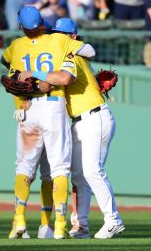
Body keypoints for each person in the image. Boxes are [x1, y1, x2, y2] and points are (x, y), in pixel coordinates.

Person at [20, 17, 125, 239]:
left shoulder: (71, 55)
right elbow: (54, 81)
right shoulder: (64, 57)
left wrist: (33, 74)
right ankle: (81, 226)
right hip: (80, 121)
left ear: (72, 37)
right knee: (78, 176)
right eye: (54, 33)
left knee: (92, 171)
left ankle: (113, 219)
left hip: (94, 117)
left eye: (61, 34)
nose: (56, 38)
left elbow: (64, 78)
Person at [1, 6, 96, 239]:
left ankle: (19, 221)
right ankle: (60, 225)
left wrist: (26, 78)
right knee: (59, 169)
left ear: (21, 26)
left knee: (24, 167)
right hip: (54, 106)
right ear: (43, 22)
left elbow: (5, 63)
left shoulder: (16, 46)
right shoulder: (58, 40)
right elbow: (90, 51)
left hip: (28, 107)